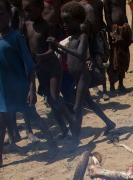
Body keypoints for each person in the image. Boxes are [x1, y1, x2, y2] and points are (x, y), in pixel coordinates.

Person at [0, 0, 59, 167]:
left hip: (20, 88)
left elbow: (29, 66)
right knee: (0, 120)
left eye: (1, 13)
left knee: (33, 117)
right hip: (3, 89)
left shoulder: (15, 37)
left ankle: (53, 145)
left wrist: (31, 88)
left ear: (10, 14)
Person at [48, 1, 116, 148]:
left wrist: (59, 46)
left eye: (68, 22)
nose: (64, 25)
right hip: (77, 77)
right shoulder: (72, 37)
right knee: (90, 103)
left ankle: (75, 140)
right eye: (63, 22)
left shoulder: (82, 36)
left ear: (78, 21)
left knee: (78, 108)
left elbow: (79, 55)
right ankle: (109, 123)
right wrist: (57, 49)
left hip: (83, 77)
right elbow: (69, 57)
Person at [22, 0, 77, 140]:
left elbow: (52, 49)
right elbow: (27, 47)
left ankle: (72, 123)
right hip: (40, 69)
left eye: (30, 10)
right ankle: (63, 128)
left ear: (40, 8)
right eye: (25, 10)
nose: (27, 13)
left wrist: (39, 57)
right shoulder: (26, 25)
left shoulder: (48, 26)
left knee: (55, 97)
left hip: (52, 66)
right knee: (51, 101)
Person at [81, 0, 109, 100]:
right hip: (86, 38)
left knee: (100, 63)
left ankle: (105, 90)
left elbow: (101, 19)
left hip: (97, 36)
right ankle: (93, 86)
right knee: (88, 63)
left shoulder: (98, 3)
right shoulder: (81, 5)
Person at [104, 0, 131, 95]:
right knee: (114, 58)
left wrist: (127, 30)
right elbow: (107, 15)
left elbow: (123, 11)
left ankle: (121, 84)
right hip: (114, 31)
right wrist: (113, 32)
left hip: (123, 29)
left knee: (123, 57)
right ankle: (112, 86)